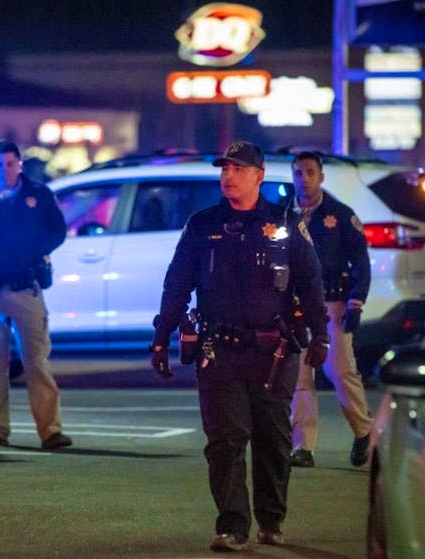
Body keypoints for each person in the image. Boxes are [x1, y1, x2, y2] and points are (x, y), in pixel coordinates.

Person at [149, 141, 329, 552]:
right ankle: (232, 525)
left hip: (274, 351)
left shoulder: (286, 223)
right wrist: (162, 338)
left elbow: (311, 283)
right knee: (225, 441)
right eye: (224, 169)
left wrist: (320, 334)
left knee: (272, 440)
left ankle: (271, 520)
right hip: (220, 350)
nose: (228, 176)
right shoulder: (203, 224)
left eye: (238, 169)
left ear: (259, 176)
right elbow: (177, 284)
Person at [0, 140, 72, 450]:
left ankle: (50, 430)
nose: (4, 171)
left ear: (19, 164)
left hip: (26, 285)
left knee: (37, 361)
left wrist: (29, 252)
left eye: (9, 164)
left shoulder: (37, 194)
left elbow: (57, 231)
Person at [287, 151, 373, 468]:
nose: (304, 179)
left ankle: (364, 430)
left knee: (338, 369)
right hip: (295, 306)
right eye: (298, 173)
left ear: (321, 176)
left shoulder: (339, 216)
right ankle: (303, 446)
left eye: (310, 172)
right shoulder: (284, 215)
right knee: (299, 374)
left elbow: (361, 262)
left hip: (331, 303)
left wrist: (356, 302)